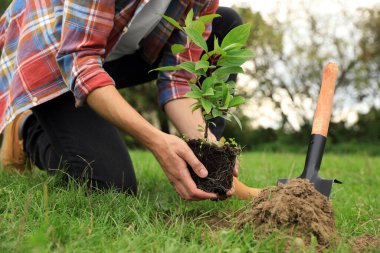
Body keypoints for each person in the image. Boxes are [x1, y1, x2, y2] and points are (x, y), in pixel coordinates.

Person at [0, 0, 243, 200]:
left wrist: (210, 148)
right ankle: (27, 131)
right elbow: (80, 61)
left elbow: (178, 79)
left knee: (225, 24)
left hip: (109, 54)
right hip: (51, 55)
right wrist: (157, 141)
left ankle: (208, 174)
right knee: (113, 186)